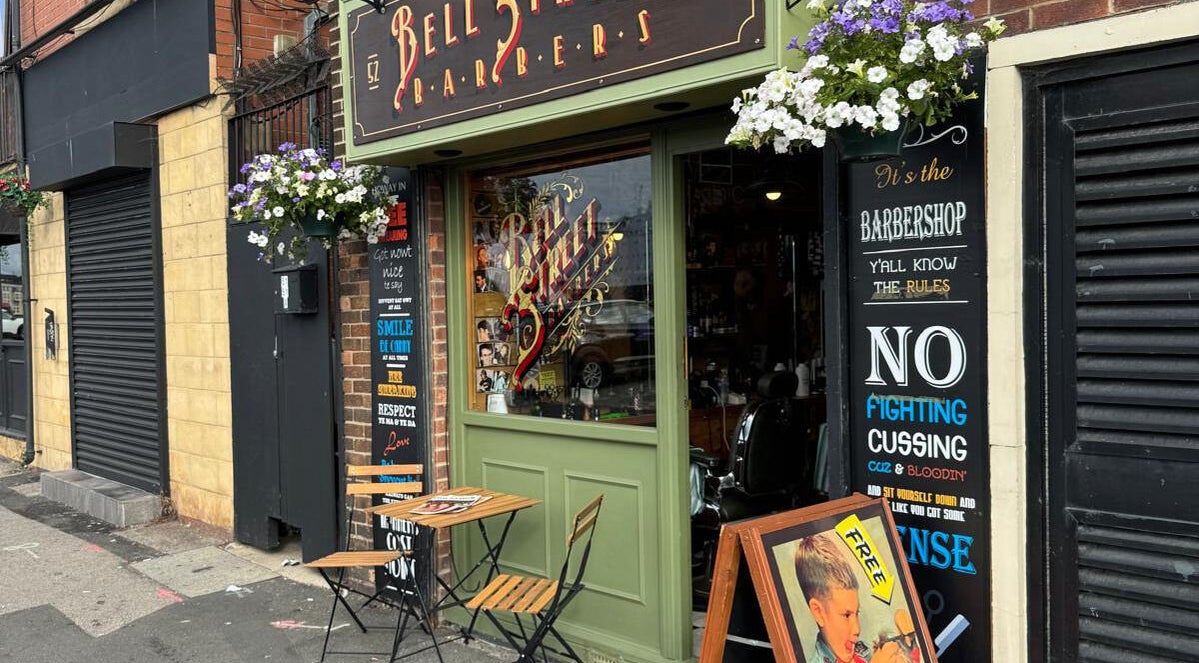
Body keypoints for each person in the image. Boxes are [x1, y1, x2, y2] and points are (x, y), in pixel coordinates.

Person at [794, 534, 906, 663]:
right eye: (846, 615)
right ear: (818, 612)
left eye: (856, 613)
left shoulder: (862, 650)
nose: (857, 629)